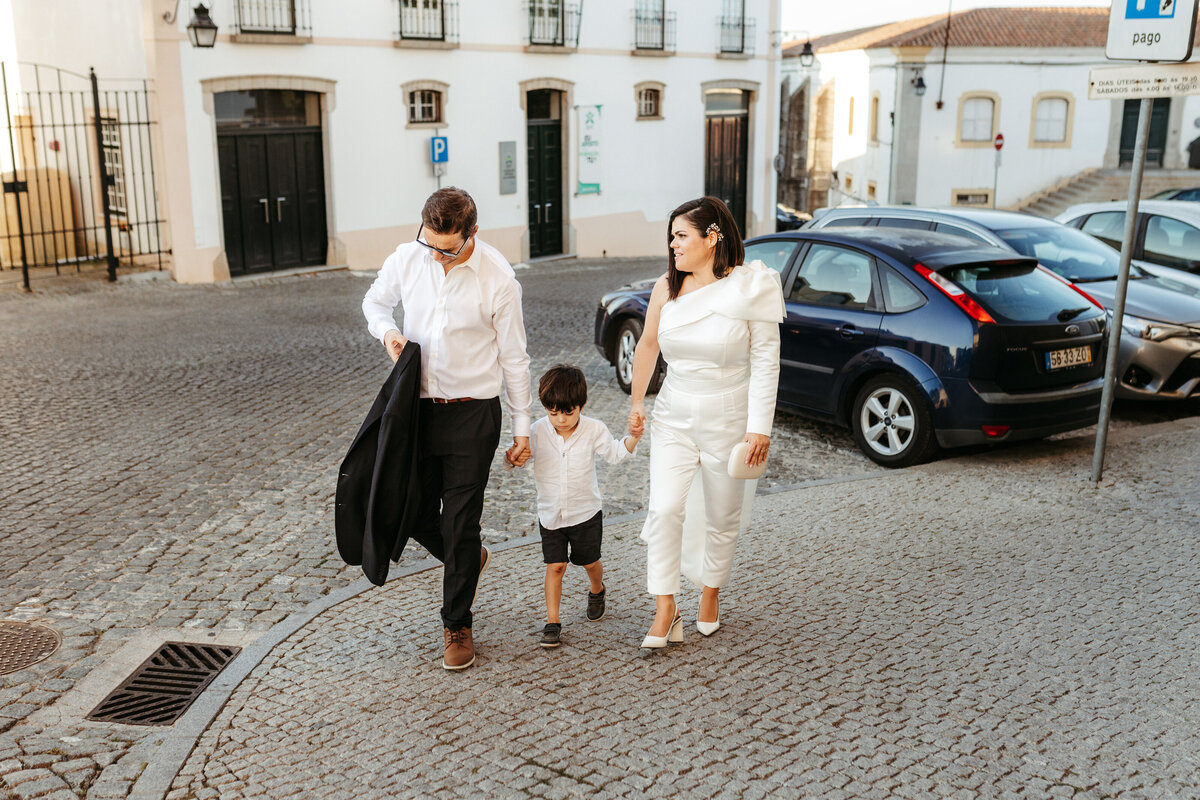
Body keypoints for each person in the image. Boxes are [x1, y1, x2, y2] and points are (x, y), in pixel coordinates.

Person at [362, 186, 532, 671]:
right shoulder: (408, 257)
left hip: (473, 415)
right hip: (416, 410)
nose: (435, 255)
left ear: (471, 233)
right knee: (408, 509)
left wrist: (522, 429)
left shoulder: (499, 279)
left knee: (460, 519)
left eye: (447, 247)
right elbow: (374, 304)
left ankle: (457, 623)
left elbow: (514, 359)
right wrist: (389, 333)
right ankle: (466, 556)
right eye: (429, 242)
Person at [628, 196, 784, 650]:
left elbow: (766, 362)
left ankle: (711, 592)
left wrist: (760, 428)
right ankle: (665, 607)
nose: (672, 245)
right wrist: (638, 402)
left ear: (712, 237)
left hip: (730, 417)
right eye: (671, 237)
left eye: (681, 236)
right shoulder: (666, 287)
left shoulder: (753, 286)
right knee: (663, 510)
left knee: (721, 514)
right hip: (674, 414)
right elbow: (648, 346)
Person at [522, 364, 643, 648]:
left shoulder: (594, 429)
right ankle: (553, 621)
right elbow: (520, 457)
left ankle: (597, 589)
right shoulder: (536, 431)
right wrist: (515, 455)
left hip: (585, 513)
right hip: (551, 515)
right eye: (553, 413)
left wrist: (634, 436)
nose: (561, 419)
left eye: (568, 412)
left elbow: (615, 454)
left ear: (581, 405)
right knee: (556, 567)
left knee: (589, 562)